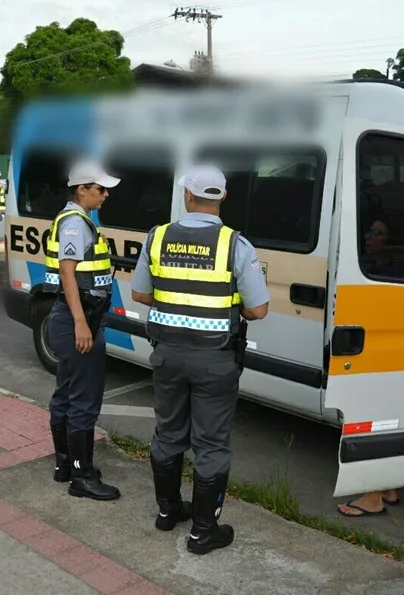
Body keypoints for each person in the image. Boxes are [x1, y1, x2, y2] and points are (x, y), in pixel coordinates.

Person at [131, 164, 270, 555]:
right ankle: (203, 532)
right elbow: (258, 310)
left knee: (168, 433)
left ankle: (168, 511)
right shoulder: (235, 245)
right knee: (210, 444)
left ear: (187, 196)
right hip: (214, 360)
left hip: (167, 356)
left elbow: (140, 295)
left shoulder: (157, 237)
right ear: (221, 198)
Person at [46, 159, 121, 502]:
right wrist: (81, 323)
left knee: (66, 392)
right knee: (83, 401)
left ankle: (65, 464)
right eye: (100, 189)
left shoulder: (75, 221)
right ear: (82, 190)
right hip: (80, 320)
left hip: (70, 317)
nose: (105, 194)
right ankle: (82, 475)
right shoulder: (75, 224)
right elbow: (67, 273)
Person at [338, 216, 400, 518]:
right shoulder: (378, 267)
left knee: (371, 425)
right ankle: (387, 487)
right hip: (382, 355)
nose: (369, 237)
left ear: (390, 241)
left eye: (378, 233)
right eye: (369, 231)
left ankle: (373, 497)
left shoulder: (381, 272)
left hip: (375, 356)